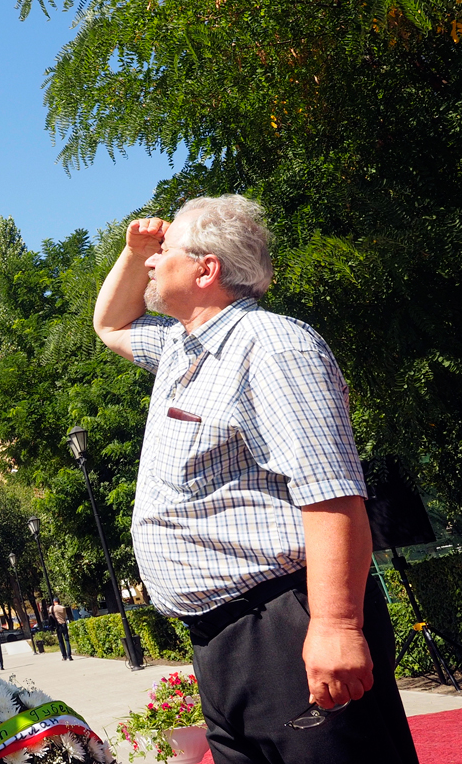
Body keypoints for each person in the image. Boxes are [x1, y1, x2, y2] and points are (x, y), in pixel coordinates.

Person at [92, 195, 417, 764]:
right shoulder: (178, 347)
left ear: (205, 268)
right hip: (220, 640)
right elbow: (109, 324)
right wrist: (134, 249)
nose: (150, 263)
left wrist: (336, 626)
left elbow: (332, 492)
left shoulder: (272, 344)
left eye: (163, 252)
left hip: (284, 622)